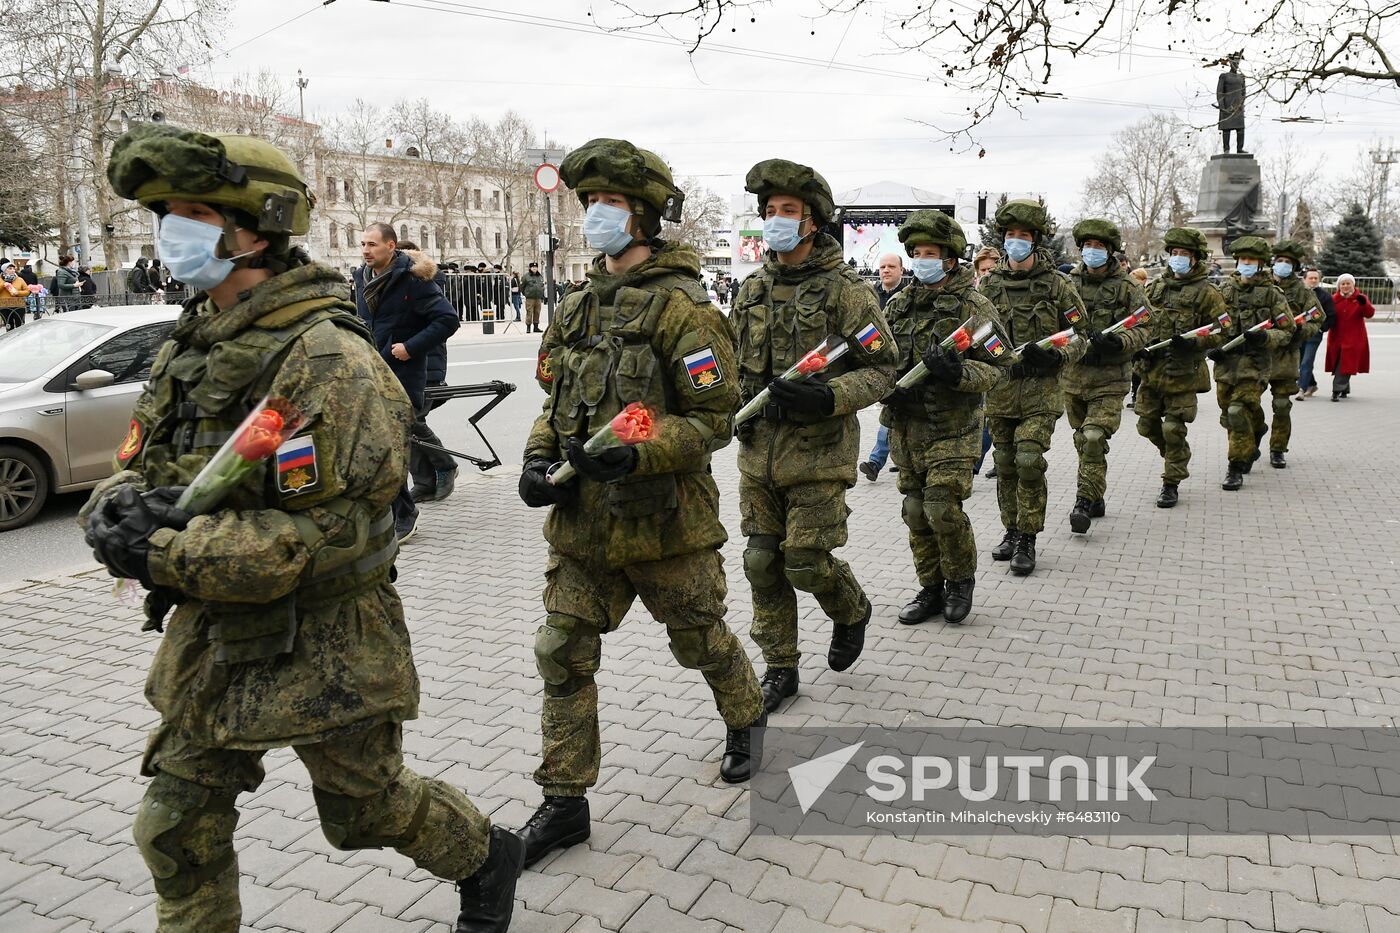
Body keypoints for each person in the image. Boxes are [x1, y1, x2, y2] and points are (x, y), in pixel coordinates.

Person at [82, 122, 520, 933]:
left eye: (193, 212)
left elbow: (330, 535)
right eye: (165, 213)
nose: (171, 231)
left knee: (367, 811)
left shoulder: (327, 359)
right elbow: (145, 461)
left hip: (327, 639)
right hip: (215, 634)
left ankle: (487, 855)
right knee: (174, 825)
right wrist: (115, 510)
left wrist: (165, 548)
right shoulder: (195, 339)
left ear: (258, 224)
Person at [515, 138, 765, 866]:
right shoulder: (575, 306)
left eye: (611, 203)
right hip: (584, 526)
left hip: (666, 522)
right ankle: (564, 802)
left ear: (648, 216)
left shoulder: (683, 309)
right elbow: (553, 402)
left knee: (700, 637)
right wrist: (536, 456)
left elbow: (717, 416)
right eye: (588, 202)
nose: (596, 215)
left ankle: (747, 717)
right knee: (560, 649)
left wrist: (643, 448)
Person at [732, 158, 898, 712]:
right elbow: (729, 369)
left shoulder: (845, 291)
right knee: (761, 562)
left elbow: (883, 368)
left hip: (819, 452)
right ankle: (780, 666)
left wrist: (830, 396)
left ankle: (850, 608)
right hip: (759, 455)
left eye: (788, 211)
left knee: (804, 560)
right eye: (770, 211)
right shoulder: (751, 289)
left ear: (812, 222)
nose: (776, 220)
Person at [881, 211, 1008, 626]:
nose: (921, 260)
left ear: (951, 259)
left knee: (941, 507)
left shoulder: (974, 306)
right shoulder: (899, 304)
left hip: (953, 425)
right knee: (915, 510)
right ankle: (931, 587)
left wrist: (958, 373)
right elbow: (878, 360)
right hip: (906, 425)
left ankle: (959, 580)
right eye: (916, 253)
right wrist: (887, 385)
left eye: (929, 253)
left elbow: (1000, 365)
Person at [978, 198, 1088, 575]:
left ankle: (1028, 537)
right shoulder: (989, 284)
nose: (1015, 242)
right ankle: (1010, 529)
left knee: (1027, 460)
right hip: (1002, 389)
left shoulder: (1058, 285)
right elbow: (976, 333)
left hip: (1042, 390)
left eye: (1023, 236)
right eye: (1010, 235)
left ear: (1036, 240)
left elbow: (1081, 335)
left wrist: (1058, 357)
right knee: (1004, 463)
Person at [353, 222, 461, 541]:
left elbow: (447, 320)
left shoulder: (414, 279)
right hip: (371, 372)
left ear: (391, 245)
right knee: (378, 447)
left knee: (393, 448)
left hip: (402, 376)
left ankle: (405, 514)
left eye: (372, 244)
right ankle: (390, 511)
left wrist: (410, 347)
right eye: (362, 244)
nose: (365, 250)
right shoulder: (362, 276)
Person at [1062, 219, 1153, 532]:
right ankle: (1096, 491)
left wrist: (1120, 341)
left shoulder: (1128, 286)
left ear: (1111, 251)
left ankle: (1083, 501)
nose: (1092, 251)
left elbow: (1145, 325)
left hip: (1110, 379)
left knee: (1093, 437)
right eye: (1088, 245)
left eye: (1099, 246)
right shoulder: (1067, 283)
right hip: (1073, 377)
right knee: (1082, 440)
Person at [1136, 227, 1227, 508]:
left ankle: (1171, 482)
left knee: (1174, 428)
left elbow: (1223, 328)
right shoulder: (1154, 288)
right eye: (1174, 253)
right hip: (1151, 372)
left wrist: (1196, 343)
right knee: (1146, 425)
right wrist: (1137, 343)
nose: (1177, 258)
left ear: (1196, 259)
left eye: (1183, 254)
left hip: (1183, 374)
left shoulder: (1207, 293)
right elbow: (1138, 320)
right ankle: (1175, 455)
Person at [1207, 236, 1293, 490]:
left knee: (1237, 411)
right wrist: (1213, 345)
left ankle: (1235, 466)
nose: (1246, 263)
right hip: (1225, 365)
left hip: (1254, 366)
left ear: (1260, 264)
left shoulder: (1272, 294)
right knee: (1229, 414)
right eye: (1242, 259)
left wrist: (1265, 336)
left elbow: (1286, 331)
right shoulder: (1224, 291)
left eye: (1251, 260)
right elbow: (1211, 326)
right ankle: (1257, 430)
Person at [396, 241, 460, 504]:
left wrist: (410, 347)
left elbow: (445, 322)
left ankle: (445, 465)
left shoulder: (420, 284)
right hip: (402, 367)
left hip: (425, 367)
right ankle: (424, 482)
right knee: (405, 425)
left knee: (412, 422)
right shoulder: (391, 285)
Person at [1263, 241, 1322, 467]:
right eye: (1280, 261)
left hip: (1286, 355)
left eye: (1288, 262)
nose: (1283, 265)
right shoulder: (1262, 286)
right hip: (1259, 355)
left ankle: (1277, 448)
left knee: (1281, 405)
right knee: (1246, 404)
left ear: (1295, 266)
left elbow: (1317, 318)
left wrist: (1299, 331)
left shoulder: (1302, 292)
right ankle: (1250, 441)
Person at [858, 252, 908, 482]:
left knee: (892, 414)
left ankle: (878, 461)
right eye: (882, 267)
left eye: (891, 266)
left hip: (905, 364)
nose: (886, 270)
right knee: (892, 413)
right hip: (879, 362)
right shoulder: (871, 296)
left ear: (901, 270)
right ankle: (885, 459)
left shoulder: (909, 296)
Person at [970, 246, 999, 478]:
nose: (987, 273)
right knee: (984, 413)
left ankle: (1000, 458)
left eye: (992, 268)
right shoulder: (971, 296)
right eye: (983, 269)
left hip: (1001, 360)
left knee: (994, 415)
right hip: (979, 363)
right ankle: (975, 461)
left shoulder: (1002, 291)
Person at [1325, 274, 1374, 400]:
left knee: (1345, 362)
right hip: (1336, 336)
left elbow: (1369, 314)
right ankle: (1345, 389)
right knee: (1338, 363)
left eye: (1348, 283)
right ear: (1339, 286)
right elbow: (1327, 315)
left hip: (1354, 337)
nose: (1346, 286)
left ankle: (1336, 390)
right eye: (1343, 284)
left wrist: (1364, 305)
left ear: (1353, 285)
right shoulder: (1334, 299)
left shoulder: (1360, 298)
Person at [1296, 268, 1334, 399]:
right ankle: (1312, 384)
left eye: (1315, 278)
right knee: (1300, 361)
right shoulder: (1297, 294)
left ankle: (1301, 388)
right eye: (1310, 278)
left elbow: (1331, 316)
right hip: (1299, 333)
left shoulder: (1325, 296)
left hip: (1314, 335)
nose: (1313, 280)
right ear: (1304, 279)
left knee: (1307, 361)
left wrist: (1321, 328)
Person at [1, 261, 29, 329]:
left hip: (18, 305)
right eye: (10, 268)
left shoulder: (19, 279)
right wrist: (3, 285)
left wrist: (18, 292)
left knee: (20, 326)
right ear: (4, 270)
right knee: (9, 326)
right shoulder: (1, 279)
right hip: (5, 305)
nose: (12, 270)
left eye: (13, 268)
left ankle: (21, 339)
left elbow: (27, 291)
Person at [521, 261, 546, 332]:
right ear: (530, 268)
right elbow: (522, 287)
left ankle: (536, 327)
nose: (534, 269)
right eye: (533, 267)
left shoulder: (540, 276)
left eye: (536, 267)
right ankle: (528, 327)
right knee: (529, 312)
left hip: (538, 298)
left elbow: (542, 286)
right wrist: (526, 294)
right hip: (530, 298)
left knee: (537, 312)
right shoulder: (526, 276)